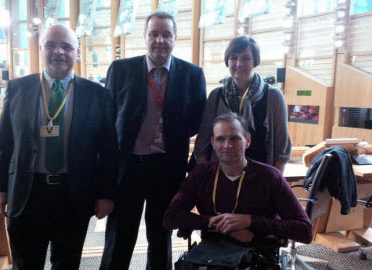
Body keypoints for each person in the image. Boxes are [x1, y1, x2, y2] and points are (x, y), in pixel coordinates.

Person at [0, 24, 118, 270]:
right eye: (51, 45)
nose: (58, 51)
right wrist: (0, 190)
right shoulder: (17, 89)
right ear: (40, 49)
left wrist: (106, 194)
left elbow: (109, 151)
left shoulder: (98, 95)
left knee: (67, 263)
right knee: (26, 263)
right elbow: (4, 143)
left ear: (77, 52)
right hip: (28, 193)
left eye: (66, 46)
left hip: (73, 194)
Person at [100, 11, 206, 270]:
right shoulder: (121, 69)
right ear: (145, 37)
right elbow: (108, 117)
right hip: (128, 168)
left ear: (175, 38)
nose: (160, 40)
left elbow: (197, 121)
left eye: (166, 34)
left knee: (161, 235)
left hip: (166, 168)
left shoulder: (192, 74)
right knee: (120, 235)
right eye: (154, 34)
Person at [164, 113, 312, 267]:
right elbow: (170, 217)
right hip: (212, 254)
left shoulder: (269, 177)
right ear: (213, 143)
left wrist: (249, 221)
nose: (227, 145)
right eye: (221, 139)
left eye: (235, 138)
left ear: (247, 141)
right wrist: (219, 226)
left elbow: (305, 231)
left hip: (258, 251)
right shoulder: (201, 174)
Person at [194, 35, 291, 173]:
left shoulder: (273, 96)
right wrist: (203, 177)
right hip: (220, 174)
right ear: (227, 61)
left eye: (246, 58)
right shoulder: (216, 96)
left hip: (260, 175)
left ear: (255, 61)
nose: (239, 63)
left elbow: (282, 146)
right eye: (233, 57)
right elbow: (203, 141)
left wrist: (275, 183)